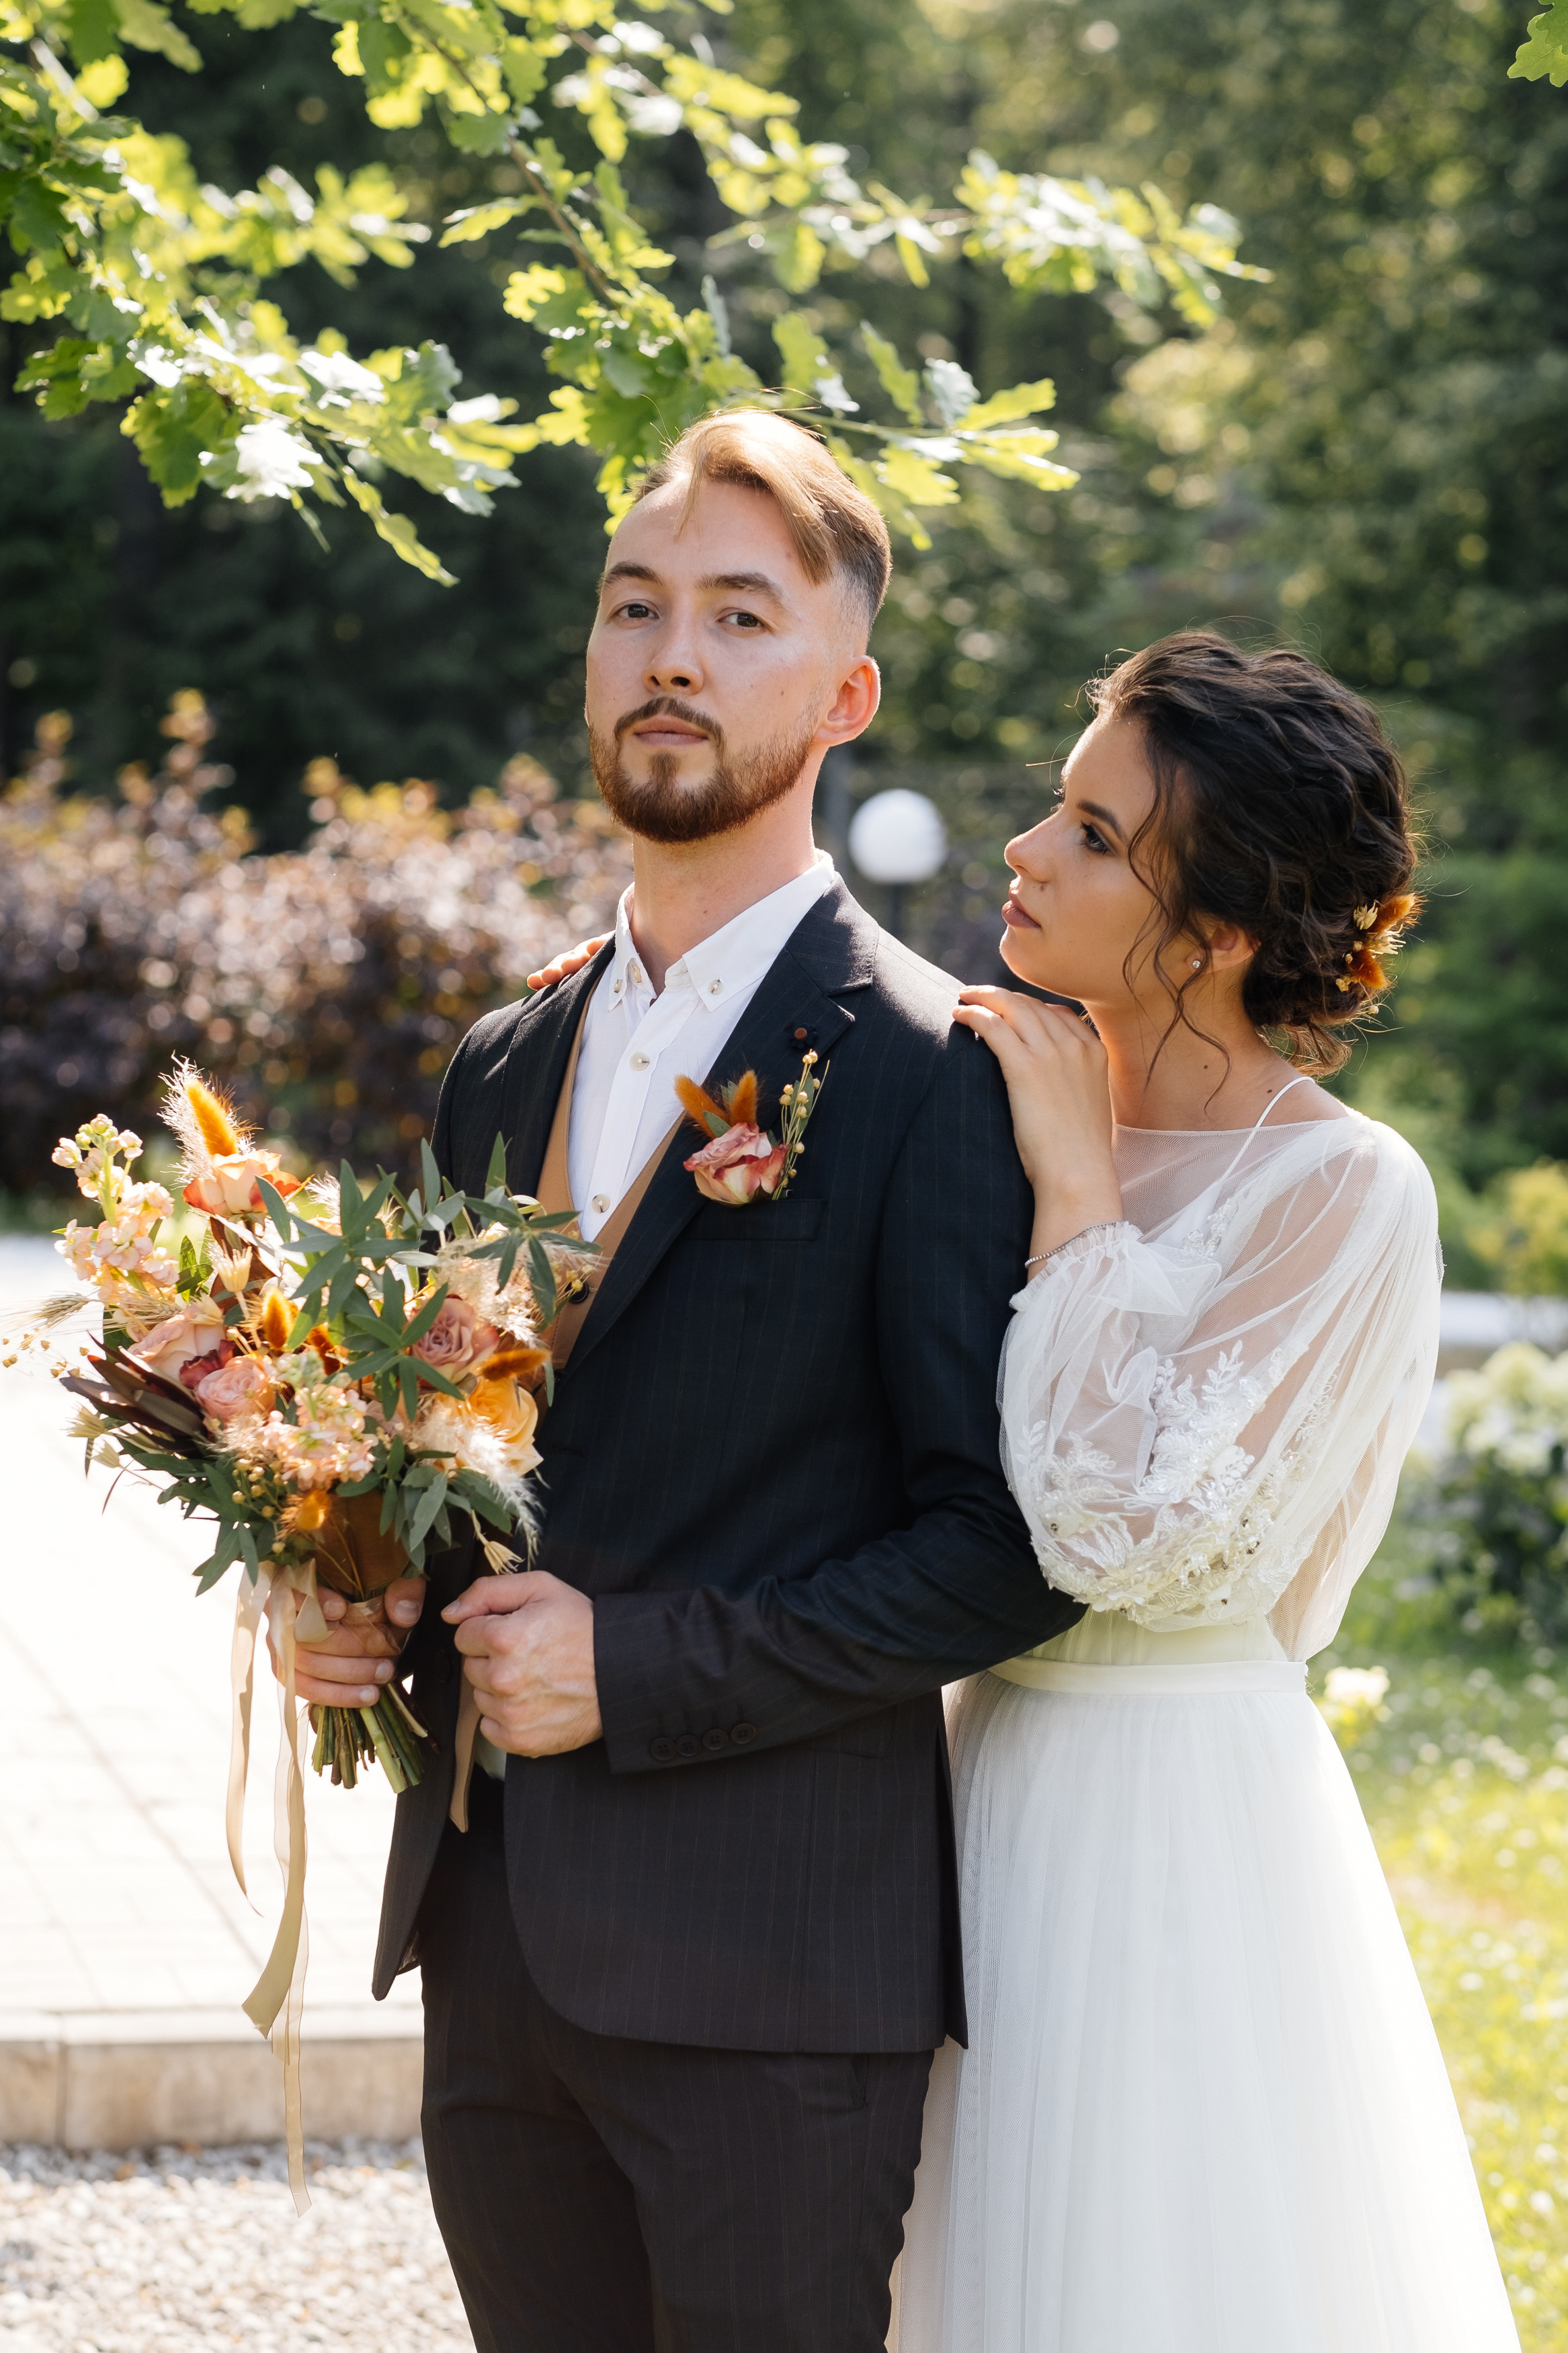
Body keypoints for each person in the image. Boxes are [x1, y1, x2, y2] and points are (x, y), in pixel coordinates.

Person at [280, 408, 1081, 2352]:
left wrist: (631, 1668)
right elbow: (458, 1447)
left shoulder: (923, 1069)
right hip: (491, 1958)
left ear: (843, 689)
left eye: (737, 615)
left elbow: (1004, 1549)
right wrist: (345, 1581)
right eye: (634, 605)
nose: (669, 655)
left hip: (772, 1995)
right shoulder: (499, 1059)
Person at [893, 632, 1520, 2351]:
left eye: (1097, 836)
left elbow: (1122, 1539)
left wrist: (1082, 1195)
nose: (1027, 850)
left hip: (1170, 1824)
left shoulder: (1344, 1194)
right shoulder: (973, 1093)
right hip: (968, 1781)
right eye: (1055, 808)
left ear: (1222, 930)